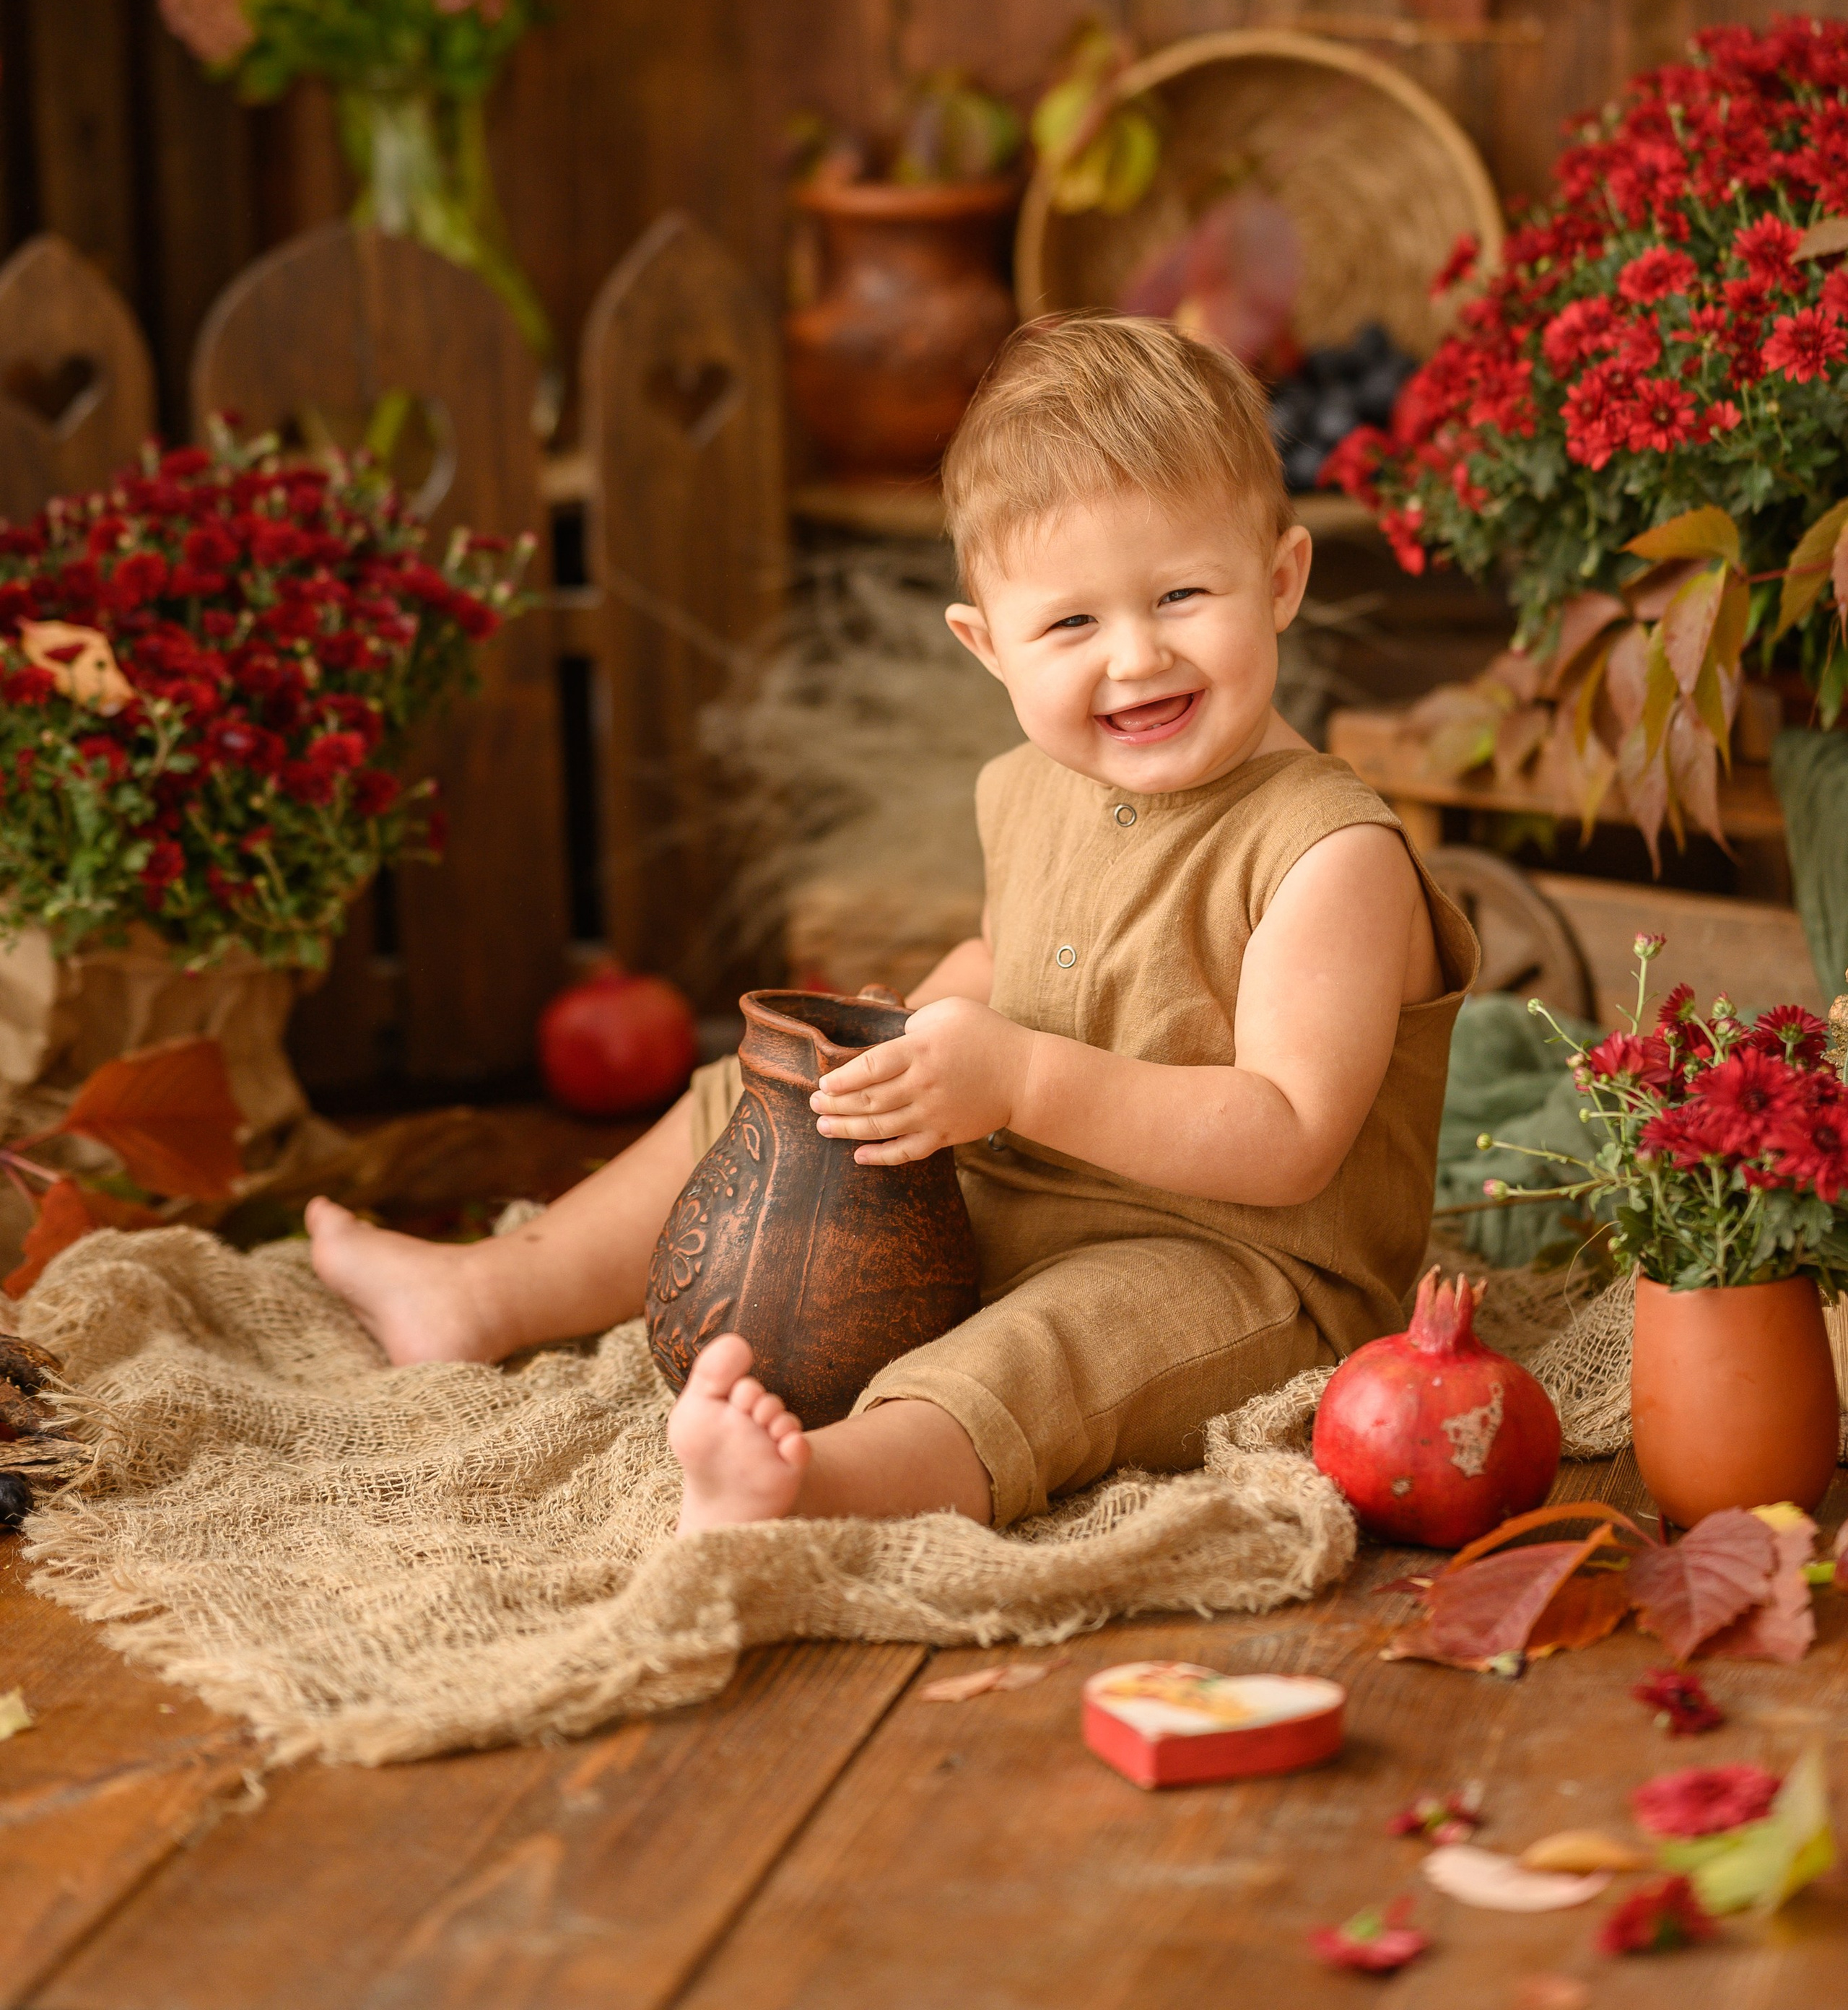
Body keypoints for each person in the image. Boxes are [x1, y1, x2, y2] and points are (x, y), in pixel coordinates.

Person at [308, 313, 1476, 1537]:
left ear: (1281, 582)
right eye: (1072, 624)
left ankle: (817, 1485)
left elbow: (1289, 1136)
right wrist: (903, 1042)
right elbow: (1010, 959)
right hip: (1019, 1185)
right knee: (752, 1105)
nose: (1137, 658)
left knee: (1053, 1348)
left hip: (1233, 1268)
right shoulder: (1029, 787)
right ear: (988, 645)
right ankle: (492, 1294)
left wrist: (1019, 1078)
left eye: (1182, 595)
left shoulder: (1327, 854)